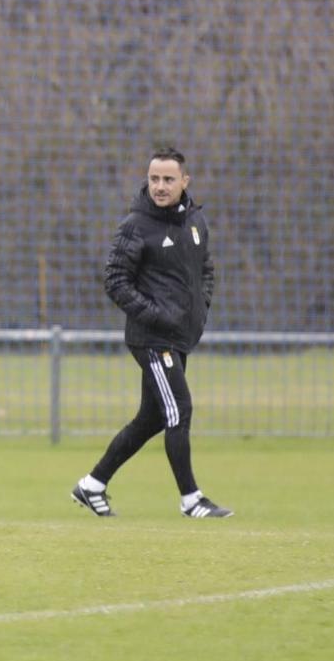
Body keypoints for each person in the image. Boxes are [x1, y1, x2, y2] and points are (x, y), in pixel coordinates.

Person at [71, 145, 232, 519]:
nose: (160, 186)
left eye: (168, 179)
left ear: (184, 182)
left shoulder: (195, 223)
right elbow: (114, 280)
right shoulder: (135, 225)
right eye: (154, 179)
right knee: (180, 411)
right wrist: (155, 315)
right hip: (152, 339)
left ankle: (92, 485)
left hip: (178, 337)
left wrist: (200, 308)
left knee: (153, 418)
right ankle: (191, 500)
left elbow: (205, 270)